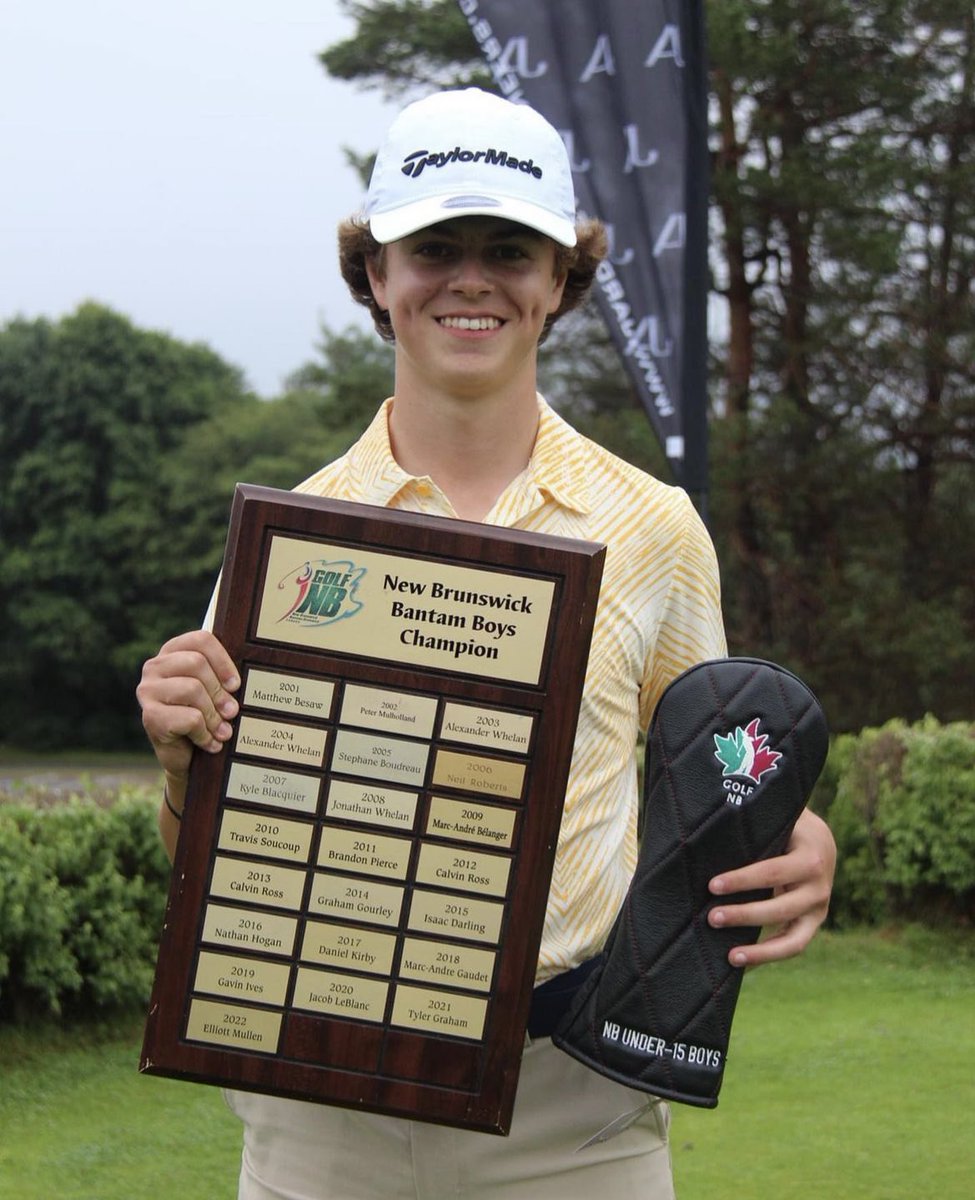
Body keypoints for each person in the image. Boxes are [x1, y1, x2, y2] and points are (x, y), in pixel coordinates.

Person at [138, 88, 836, 1200]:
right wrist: (181, 760)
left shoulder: (654, 527)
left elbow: (714, 776)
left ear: (561, 278)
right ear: (376, 274)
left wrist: (803, 843)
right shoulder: (288, 537)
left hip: (576, 1113)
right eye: (434, 247)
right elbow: (209, 856)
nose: (472, 278)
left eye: (511, 248)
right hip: (321, 1099)